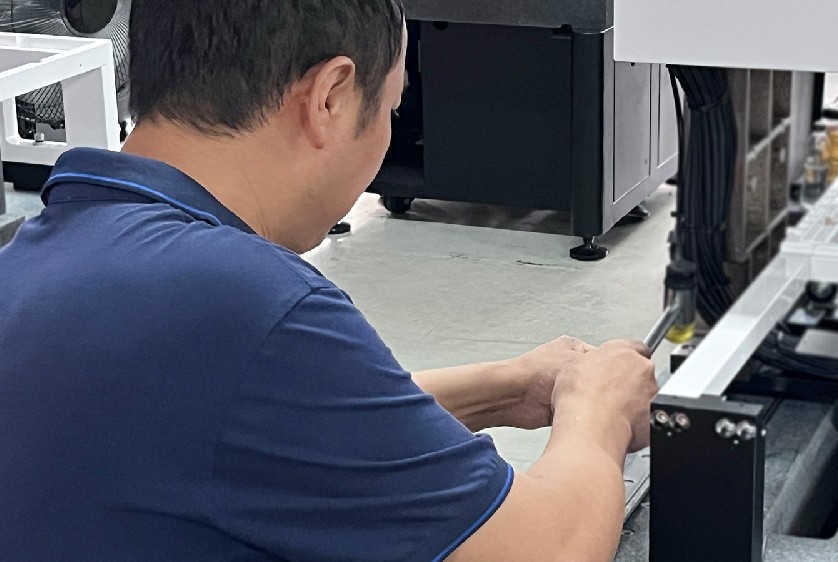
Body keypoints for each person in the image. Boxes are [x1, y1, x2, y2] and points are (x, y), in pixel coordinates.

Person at [0, 1, 658, 560]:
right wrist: (598, 412)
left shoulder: (47, 254)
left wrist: (506, 387)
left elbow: (261, 427)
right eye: (391, 109)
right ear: (331, 98)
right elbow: (546, 550)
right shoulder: (246, 300)